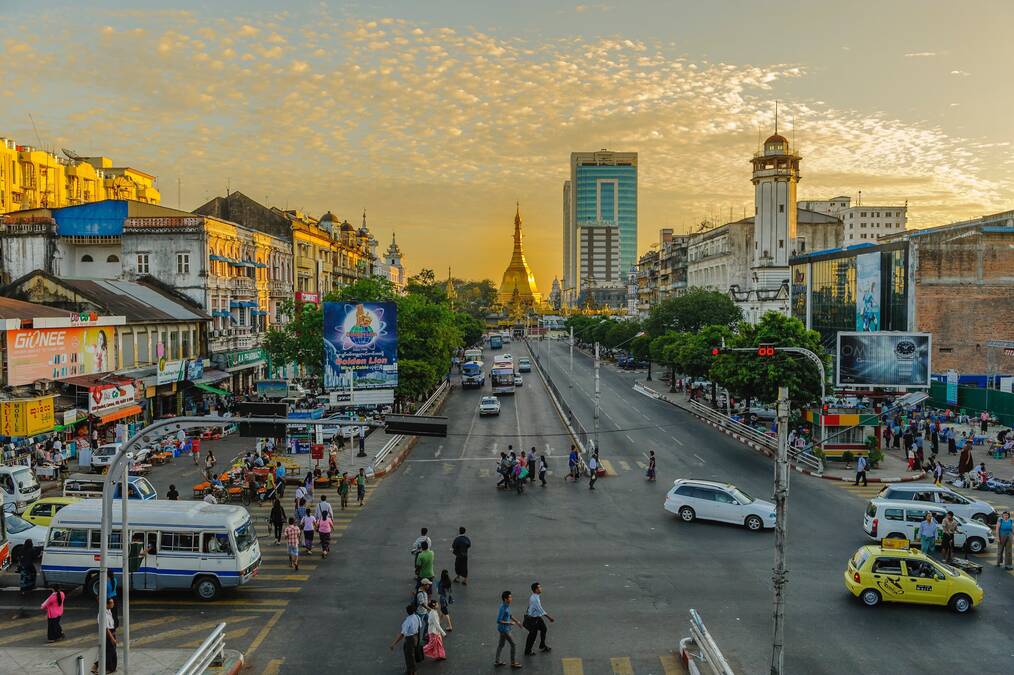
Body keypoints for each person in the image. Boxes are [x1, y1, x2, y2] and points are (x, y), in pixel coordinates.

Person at [390, 604, 422, 675]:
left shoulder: (407, 621)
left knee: (409, 655)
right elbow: (420, 626)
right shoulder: (417, 617)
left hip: (410, 639)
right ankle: (411, 670)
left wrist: (394, 643)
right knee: (410, 653)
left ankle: (412, 671)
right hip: (416, 637)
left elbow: (402, 634)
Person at [495, 590, 524, 669]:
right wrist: (509, 623)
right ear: (505, 599)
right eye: (510, 597)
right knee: (513, 644)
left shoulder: (506, 605)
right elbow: (498, 620)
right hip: (505, 630)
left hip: (503, 629)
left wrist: (517, 621)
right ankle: (513, 663)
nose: (511, 598)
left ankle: (497, 661)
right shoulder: (503, 608)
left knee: (501, 644)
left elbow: (509, 615)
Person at [524, 581, 554, 656]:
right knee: (532, 636)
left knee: (544, 629)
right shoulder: (535, 599)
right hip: (533, 619)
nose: (541, 588)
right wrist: (549, 618)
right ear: (536, 589)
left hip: (536, 617)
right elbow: (540, 610)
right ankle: (527, 651)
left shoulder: (535, 596)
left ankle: (542, 645)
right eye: (539, 587)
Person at [92, 597, 117, 674]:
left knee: (112, 652)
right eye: (111, 603)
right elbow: (106, 628)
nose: (113, 604)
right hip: (107, 635)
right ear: (106, 604)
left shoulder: (109, 611)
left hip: (112, 633)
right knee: (110, 652)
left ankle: (111, 668)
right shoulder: (102, 614)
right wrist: (112, 638)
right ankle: (96, 666)